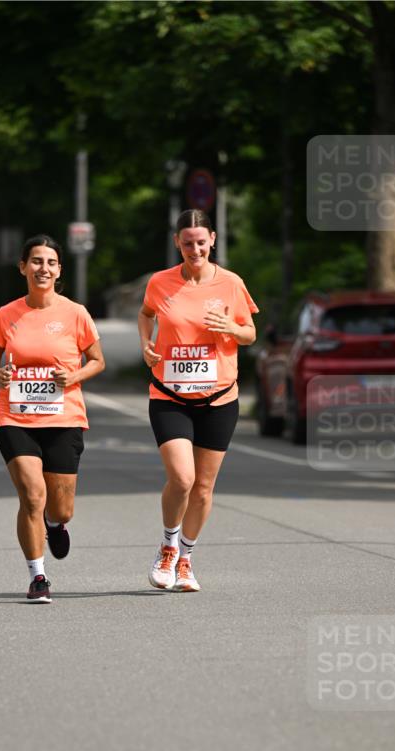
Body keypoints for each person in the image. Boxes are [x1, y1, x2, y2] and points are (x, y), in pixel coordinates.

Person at [139, 209, 258, 592]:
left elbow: (250, 333)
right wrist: (146, 344)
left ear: (213, 240)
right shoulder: (160, 283)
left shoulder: (231, 283)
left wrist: (232, 328)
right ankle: (168, 547)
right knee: (182, 477)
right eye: (187, 243)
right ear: (178, 243)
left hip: (220, 396)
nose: (195, 249)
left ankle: (187, 558)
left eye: (201, 242)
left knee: (204, 487)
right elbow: (146, 314)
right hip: (170, 394)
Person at [0, 234, 105, 603]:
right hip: (15, 418)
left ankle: (55, 524)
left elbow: (97, 360)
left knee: (60, 505)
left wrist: (75, 376)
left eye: (50, 263)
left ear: (59, 270)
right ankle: (38, 576)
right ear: (23, 267)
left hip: (63, 418)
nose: (43, 269)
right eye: (36, 261)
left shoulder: (75, 313)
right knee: (32, 496)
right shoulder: (7, 314)